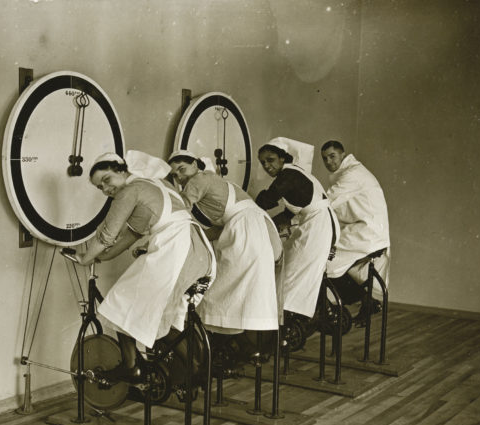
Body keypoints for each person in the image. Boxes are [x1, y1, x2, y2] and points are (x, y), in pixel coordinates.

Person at [73, 152, 215, 382]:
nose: (106, 189)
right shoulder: (156, 185)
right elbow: (132, 235)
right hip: (197, 250)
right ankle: (196, 369)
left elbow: (108, 234)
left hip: (175, 250)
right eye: (100, 187)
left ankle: (132, 368)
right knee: (160, 314)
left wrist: (85, 258)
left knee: (120, 303)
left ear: (121, 170)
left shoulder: (130, 190)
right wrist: (103, 257)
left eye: (107, 180)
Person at [167, 149, 283, 336]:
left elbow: (180, 210)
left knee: (223, 284)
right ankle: (245, 341)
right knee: (248, 287)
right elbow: (216, 230)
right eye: (175, 174)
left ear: (195, 165)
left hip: (247, 228)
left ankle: (227, 338)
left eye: (182, 169)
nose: (179, 176)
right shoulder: (213, 181)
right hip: (259, 225)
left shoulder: (199, 179)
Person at [255, 137, 339, 346]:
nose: (267, 166)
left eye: (271, 160)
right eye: (263, 162)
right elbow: (288, 211)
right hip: (318, 223)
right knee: (293, 271)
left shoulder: (289, 175)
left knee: (291, 275)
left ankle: (290, 325)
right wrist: (272, 225)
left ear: (283, 158)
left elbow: (267, 199)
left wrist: (250, 209)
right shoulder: (296, 173)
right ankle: (310, 313)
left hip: (317, 227)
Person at [321, 140, 390, 324]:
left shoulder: (352, 174)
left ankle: (340, 305)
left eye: (332, 156)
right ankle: (363, 298)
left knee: (323, 259)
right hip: (365, 229)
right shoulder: (348, 173)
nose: (328, 162)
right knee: (333, 258)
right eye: (325, 158)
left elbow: (327, 202)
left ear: (343, 155)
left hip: (366, 231)